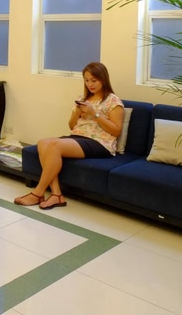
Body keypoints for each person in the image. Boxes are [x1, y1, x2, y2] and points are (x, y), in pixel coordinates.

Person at [14, 61, 124, 210]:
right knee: (43, 143)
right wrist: (77, 113)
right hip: (78, 137)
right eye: (86, 80)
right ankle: (56, 194)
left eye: (94, 80)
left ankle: (38, 192)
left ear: (103, 79)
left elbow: (116, 131)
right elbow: (72, 126)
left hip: (100, 142)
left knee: (54, 145)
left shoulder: (113, 100)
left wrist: (95, 114)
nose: (90, 84)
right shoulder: (82, 98)